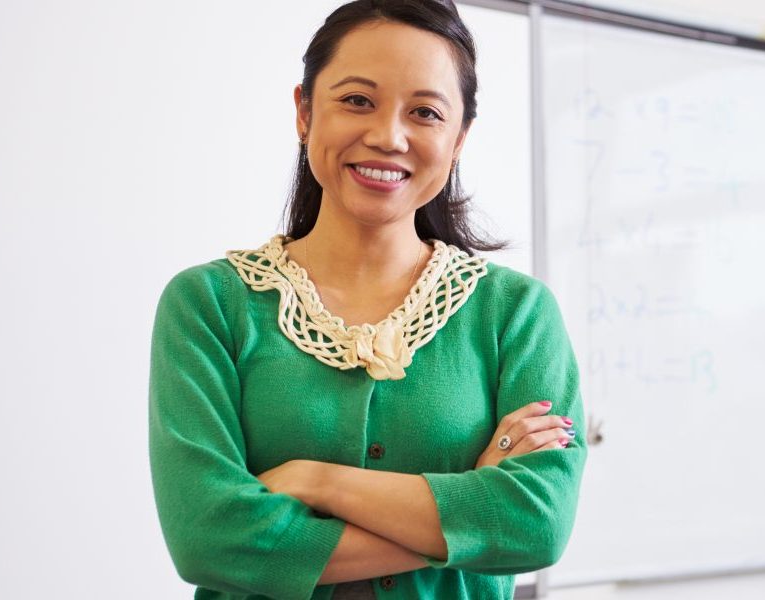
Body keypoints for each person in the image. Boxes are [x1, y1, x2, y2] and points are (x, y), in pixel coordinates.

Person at [147, 1, 587, 599]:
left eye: (425, 112)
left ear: (459, 138)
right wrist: (471, 511)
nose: (387, 137)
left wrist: (318, 482)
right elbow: (207, 537)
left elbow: (538, 524)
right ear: (304, 111)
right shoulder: (209, 305)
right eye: (357, 100)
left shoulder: (516, 314)